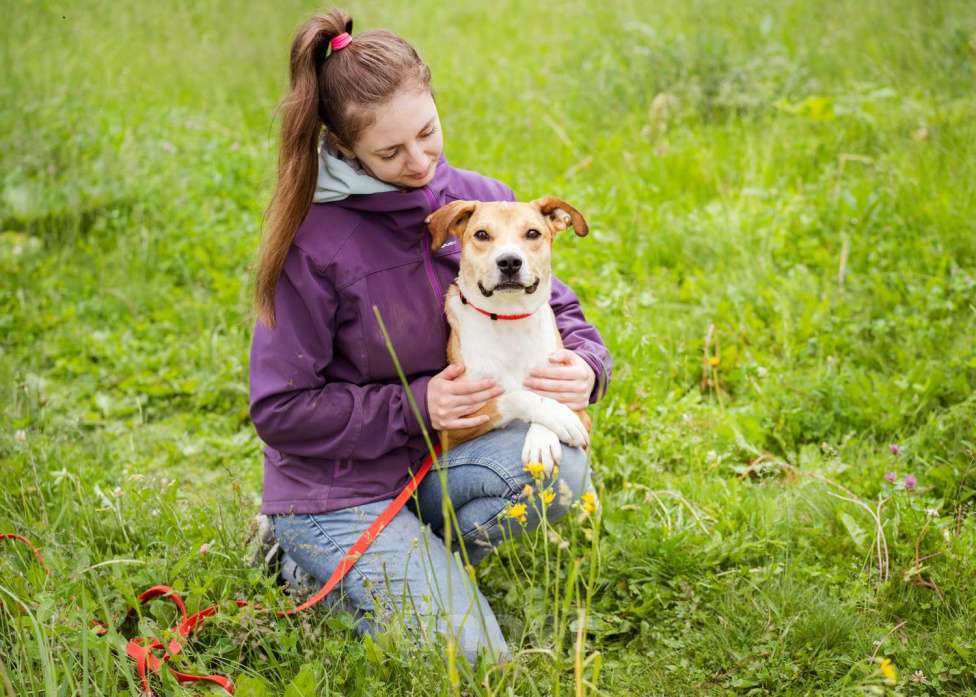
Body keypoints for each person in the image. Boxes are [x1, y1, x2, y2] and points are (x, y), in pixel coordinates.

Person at [248, 8, 612, 667]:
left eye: (427, 132)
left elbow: (554, 301)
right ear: (343, 146)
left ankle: (421, 562)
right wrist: (418, 404)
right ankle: (303, 562)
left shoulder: (482, 201)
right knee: (477, 665)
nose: (419, 162)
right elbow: (278, 409)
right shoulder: (312, 244)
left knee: (558, 469)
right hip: (340, 490)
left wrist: (587, 363)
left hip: (434, 466)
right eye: (390, 152)